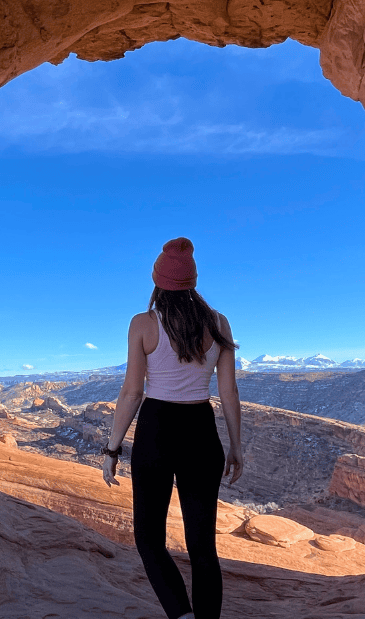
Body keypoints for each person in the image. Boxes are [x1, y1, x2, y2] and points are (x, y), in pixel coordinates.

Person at [102, 237, 243, 619]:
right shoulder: (219, 323)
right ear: (192, 281)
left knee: (149, 540)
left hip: (157, 429)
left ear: (157, 281)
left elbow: (132, 392)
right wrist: (236, 447)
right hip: (201, 429)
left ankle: (181, 615)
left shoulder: (143, 324)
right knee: (202, 548)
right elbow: (228, 393)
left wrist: (112, 449)